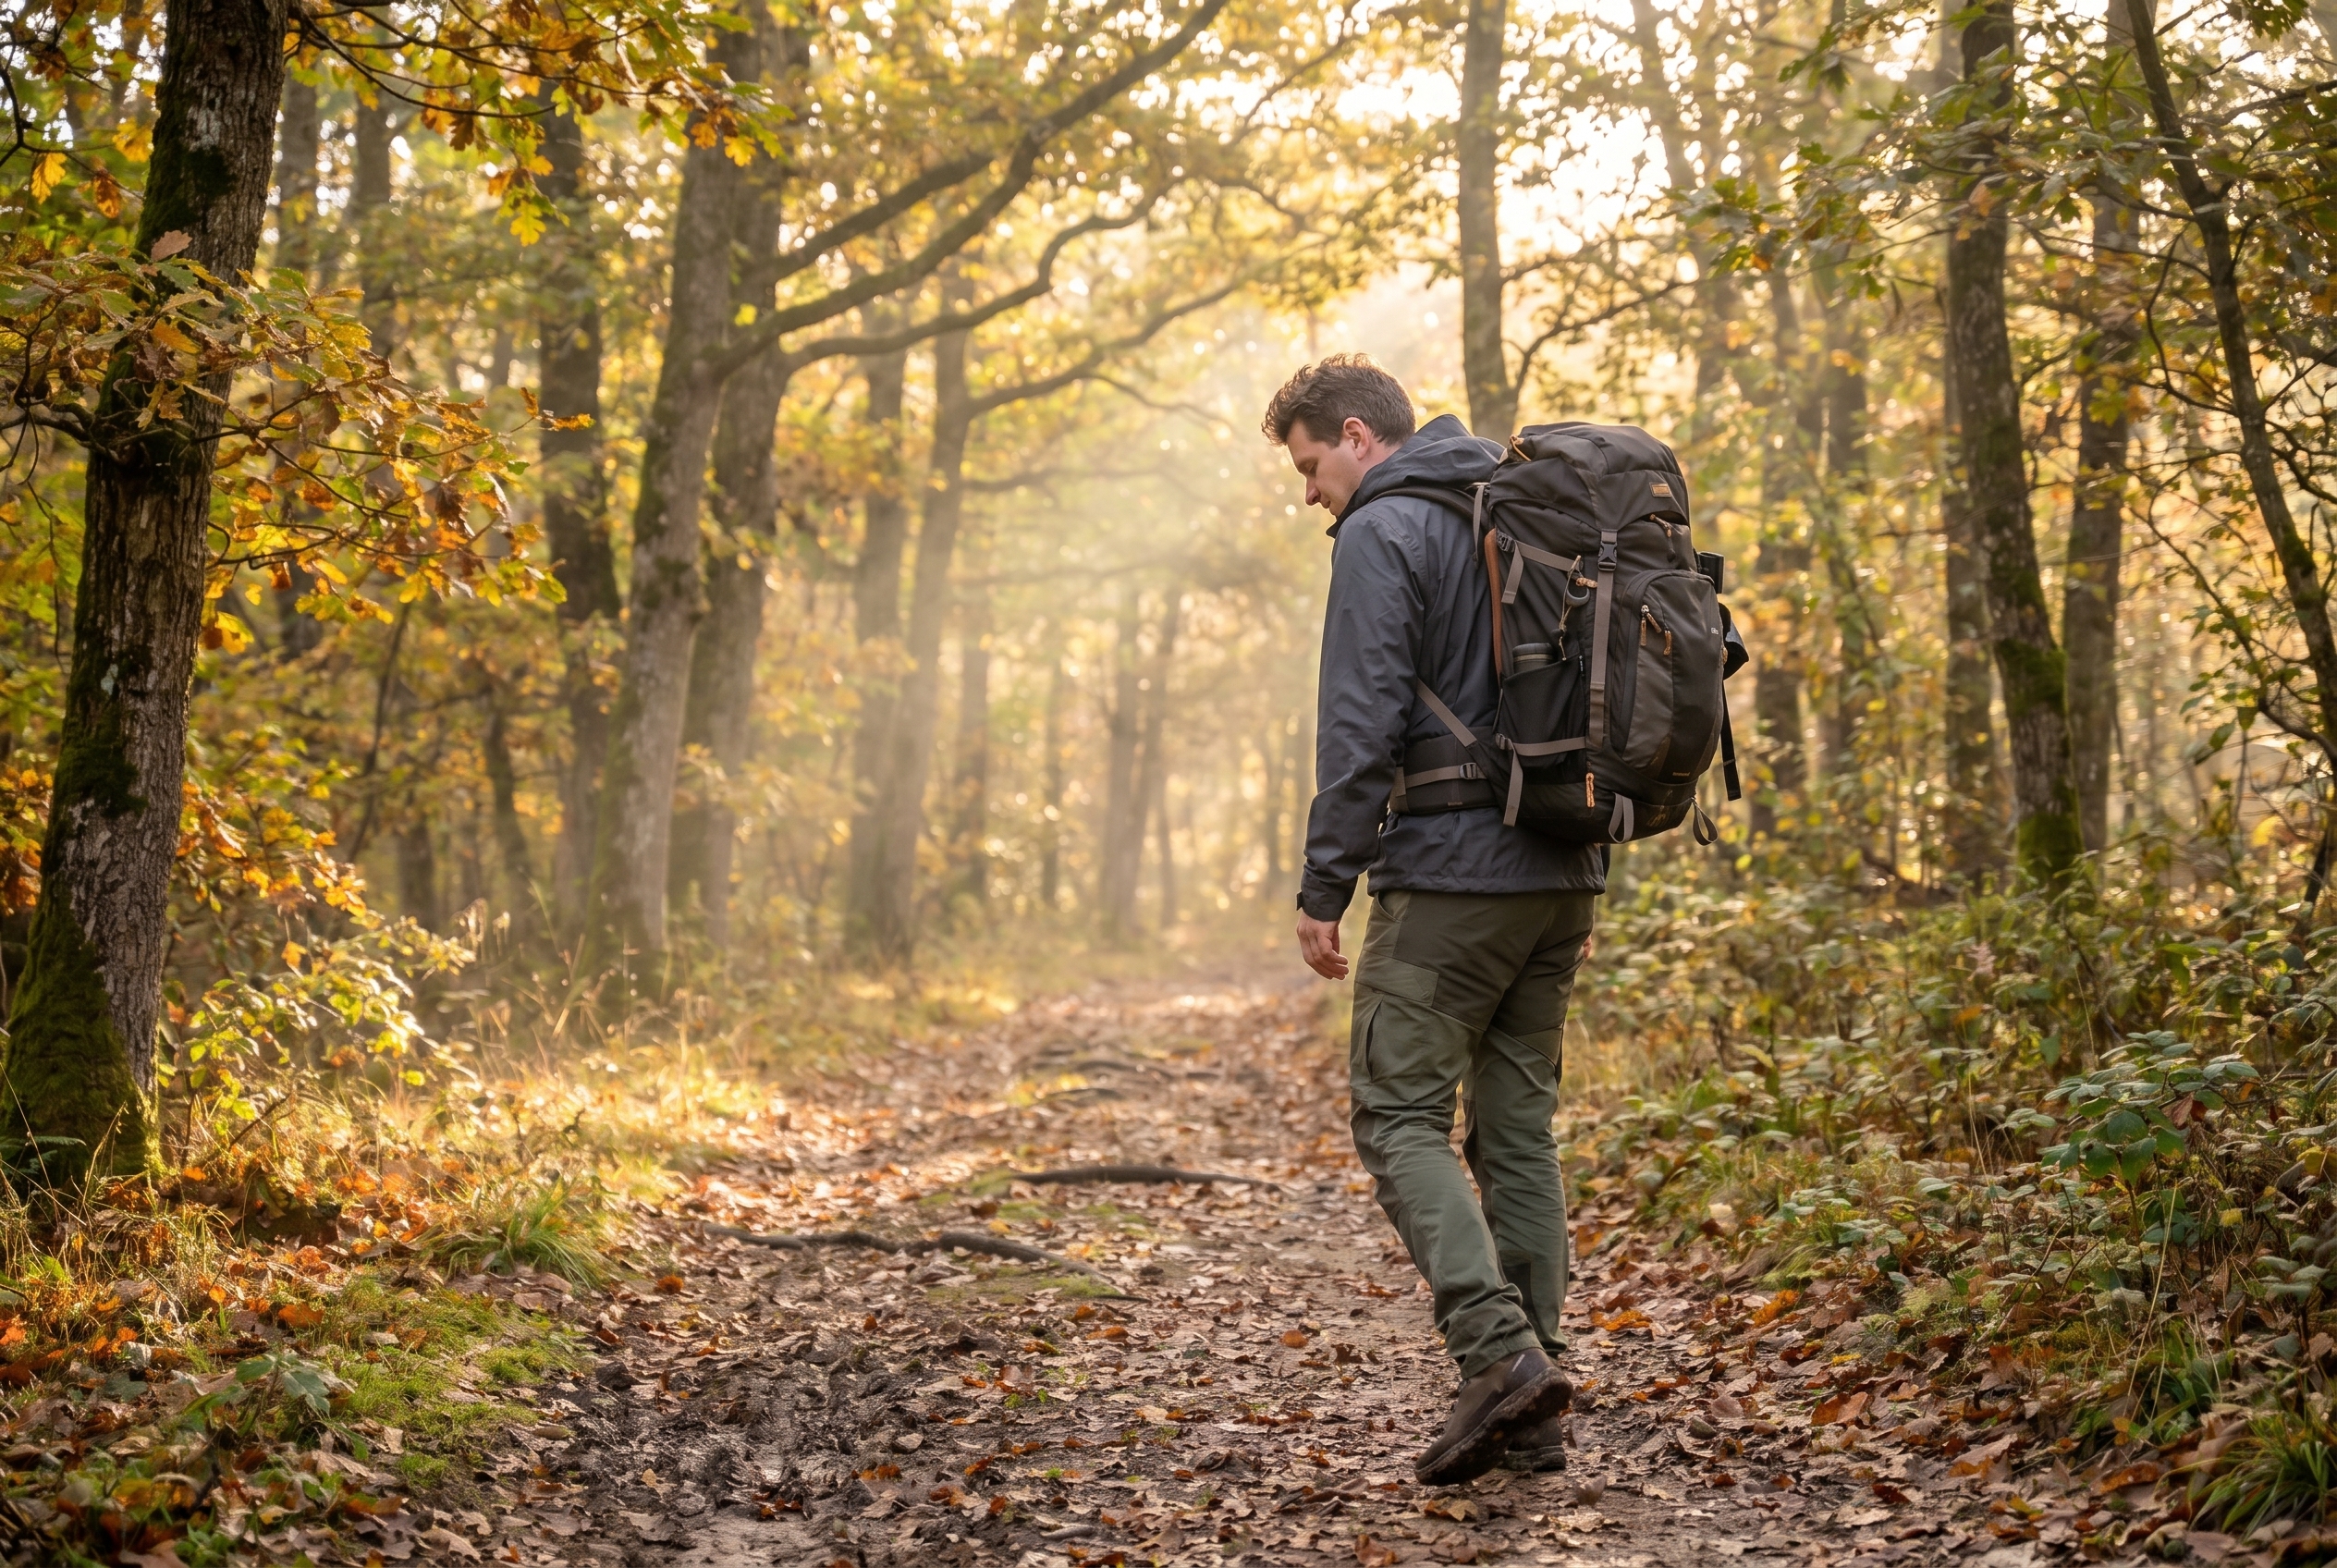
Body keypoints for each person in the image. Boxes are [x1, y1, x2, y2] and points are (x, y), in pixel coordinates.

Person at [1263, 355, 1602, 1487]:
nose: (1310, 493)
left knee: (1394, 1113)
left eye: (1310, 466)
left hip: (1454, 871)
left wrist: (1325, 884)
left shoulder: (1385, 529)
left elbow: (1357, 721)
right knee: (1514, 1129)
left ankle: (1499, 1355)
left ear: (1356, 436)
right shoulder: (1513, 506)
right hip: (1562, 870)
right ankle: (1536, 1404)